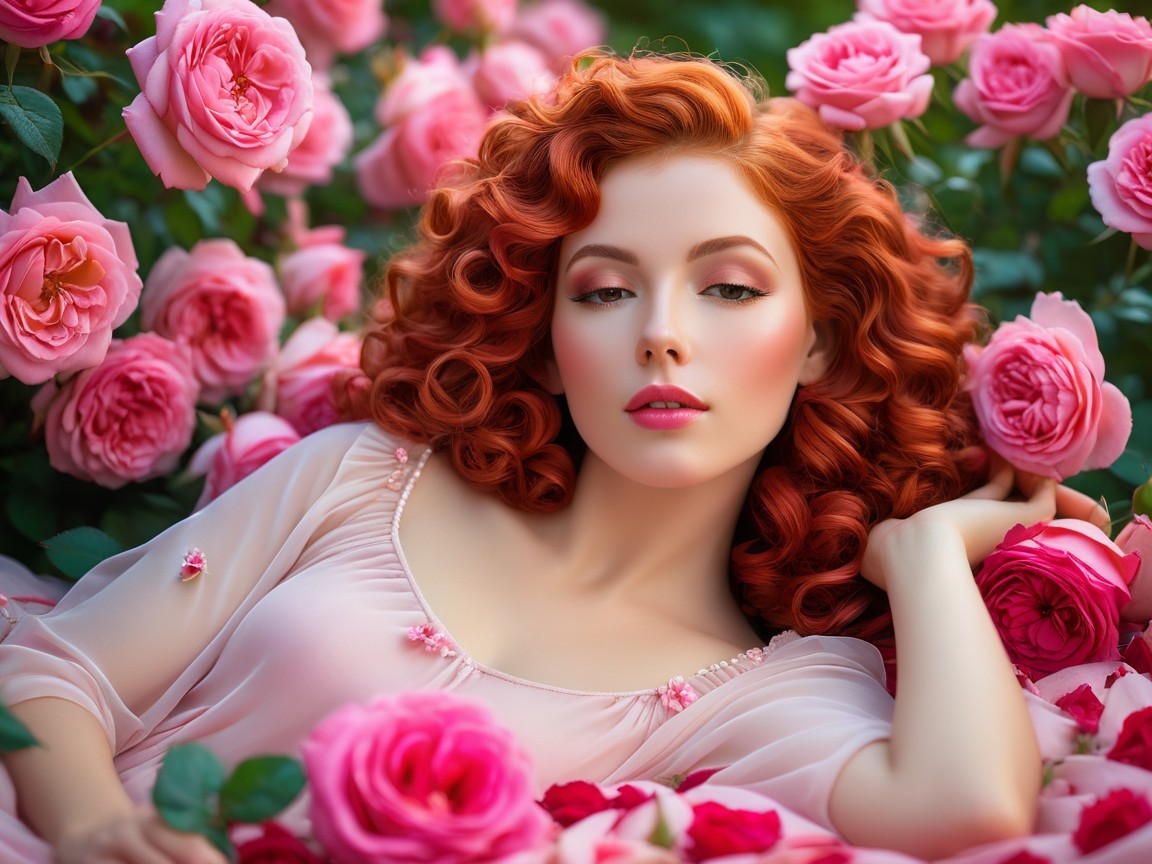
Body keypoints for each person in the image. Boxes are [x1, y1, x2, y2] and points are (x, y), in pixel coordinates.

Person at [0, 52, 1111, 863]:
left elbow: (969, 807)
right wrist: (96, 827)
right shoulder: (361, 478)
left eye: (728, 286)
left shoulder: (769, 690)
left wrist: (922, 559)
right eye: (606, 288)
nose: (660, 331)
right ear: (546, 325)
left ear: (818, 337)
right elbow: (51, 672)